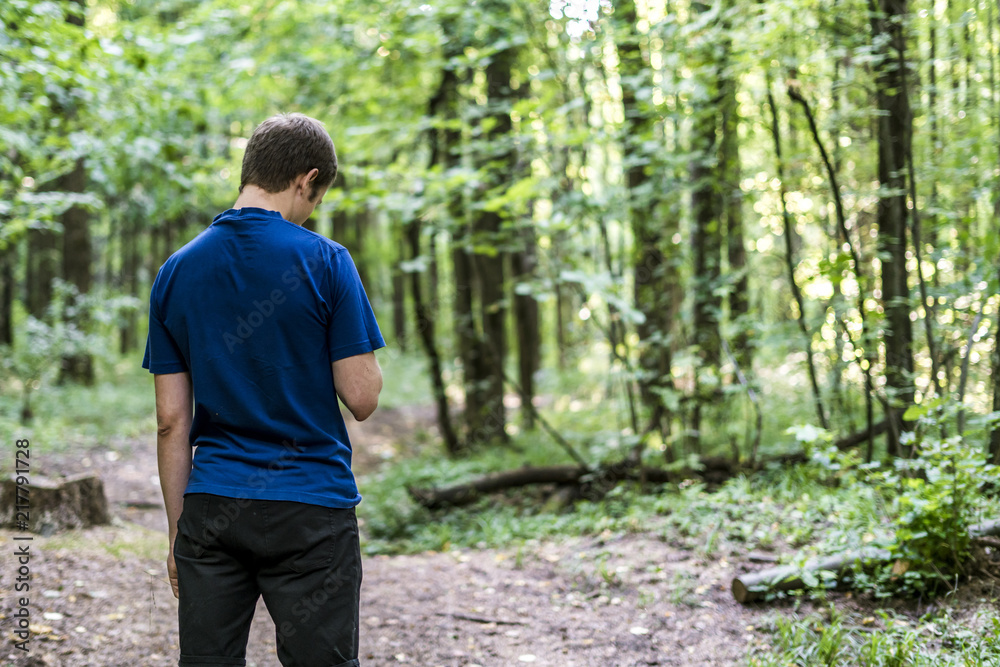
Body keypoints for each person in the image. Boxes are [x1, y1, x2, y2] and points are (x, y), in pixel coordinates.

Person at [143, 112, 384, 667]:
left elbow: (171, 422)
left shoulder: (176, 270)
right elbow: (363, 398)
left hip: (213, 504)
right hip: (310, 506)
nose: (312, 212)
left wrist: (181, 535)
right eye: (316, 197)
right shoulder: (327, 261)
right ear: (307, 179)